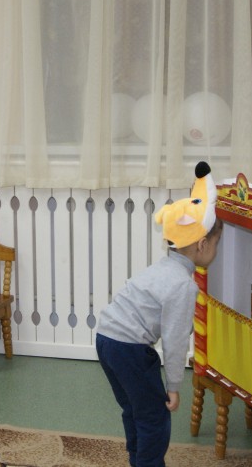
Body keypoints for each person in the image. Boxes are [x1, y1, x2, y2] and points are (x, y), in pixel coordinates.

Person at [96, 161, 221, 467]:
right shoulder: (183, 286)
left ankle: (137, 459)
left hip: (105, 338)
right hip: (129, 348)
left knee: (134, 408)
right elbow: (175, 342)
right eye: (217, 244)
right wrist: (174, 387)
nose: (217, 251)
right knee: (155, 416)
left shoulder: (163, 267)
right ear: (203, 244)